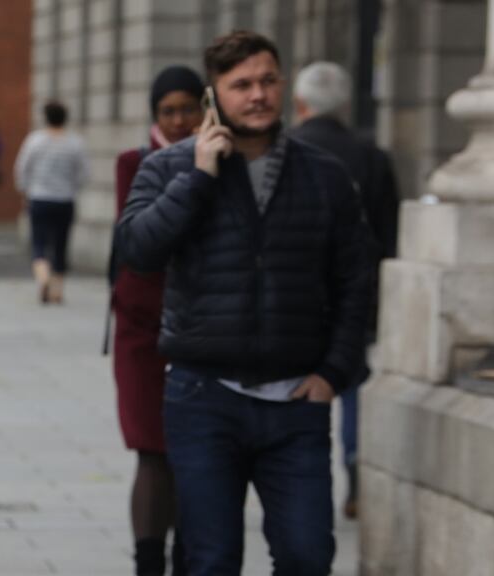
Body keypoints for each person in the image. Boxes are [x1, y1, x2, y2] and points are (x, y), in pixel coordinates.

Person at [115, 31, 374, 575]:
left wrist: (334, 373)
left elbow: (357, 281)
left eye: (267, 81)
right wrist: (200, 176)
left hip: (296, 403)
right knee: (209, 560)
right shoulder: (170, 168)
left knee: (308, 555)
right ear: (215, 96)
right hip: (203, 397)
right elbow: (137, 250)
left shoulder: (324, 175)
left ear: (282, 84)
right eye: (241, 85)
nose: (257, 95)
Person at [290, 61, 399, 520]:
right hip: (356, 297)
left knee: (295, 390)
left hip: (295, 302)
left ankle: (292, 478)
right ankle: (354, 471)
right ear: (347, 105)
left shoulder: (288, 152)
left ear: (299, 104)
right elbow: (389, 235)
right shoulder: (371, 156)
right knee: (351, 382)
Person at [112, 65, 204, 576]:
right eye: (167, 111)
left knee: (194, 455)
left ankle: (188, 558)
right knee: (151, 449)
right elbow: (140, 245)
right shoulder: (135, 163)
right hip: (141, 328)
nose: (178, 120)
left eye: (188, 108)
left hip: (201, 327)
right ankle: (149, 564)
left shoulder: (222, 162)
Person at [13, 101, 88, 304]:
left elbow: (22, 167)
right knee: (61, 246)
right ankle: (57, 290)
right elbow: (83, 174)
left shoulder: (35, 141)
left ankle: (43, 278)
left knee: (39, 243)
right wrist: (72, 188)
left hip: (39, 198)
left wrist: (24, 189)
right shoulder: (75, 143)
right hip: (64, 200)